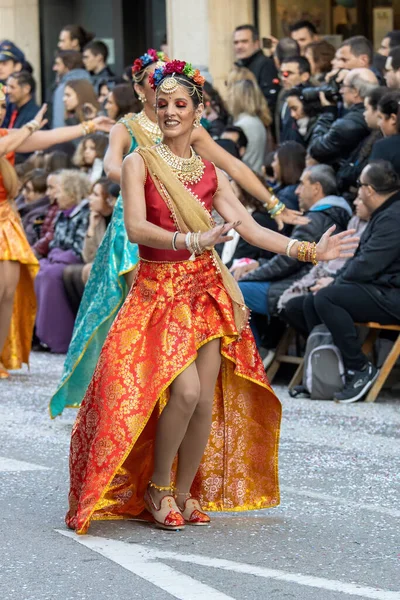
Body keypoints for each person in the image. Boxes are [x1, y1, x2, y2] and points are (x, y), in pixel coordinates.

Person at [65, 59, 355, 534]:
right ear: (154, 111)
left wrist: (308, 250)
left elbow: (252, 228)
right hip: (158, 291)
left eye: (182, 104)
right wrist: (192, 241)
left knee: (202, 402)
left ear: (199, 112)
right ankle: (158, 488)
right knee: (185, 391)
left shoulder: (210, 174)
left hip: (204, 290)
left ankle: (183, 492)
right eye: (163, 105)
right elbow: (137, 227)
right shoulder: (140, 163)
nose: (171, 112)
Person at [49, 49, 307, 418]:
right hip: (136, 225)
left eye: (171, 86)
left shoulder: (190, 129)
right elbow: (110, 166)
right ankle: (124, 402)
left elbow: (230, 164)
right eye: (154, 81)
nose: (162, 90)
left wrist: (275, 206)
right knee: (125, 317)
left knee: (183, 336)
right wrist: (145, 180)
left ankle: (169, 407)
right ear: (141, 89)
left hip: (186, 234)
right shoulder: (129, 129)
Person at [0, 92, 112, 378]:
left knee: (8, 290)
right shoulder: (10, 137)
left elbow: (49, 137)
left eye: (3, 105)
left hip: (5, 218)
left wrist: (89, 126)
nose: (0, 111)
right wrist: (28, 128)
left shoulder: (10, 134)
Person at [283, 161, 400, 403]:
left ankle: (359, 368)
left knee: (327, 297)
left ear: (368, 190)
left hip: (393, 295)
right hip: (380, 288)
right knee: (302, 304)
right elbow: (361, 262)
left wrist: (333, 283)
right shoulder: (385, 213)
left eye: (359, 186)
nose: (356, 191)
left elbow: (367, 264)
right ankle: (326, 373)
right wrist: (333, 279)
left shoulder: (394, 217)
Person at [237, 164, 351, 345]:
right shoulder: (336, 213)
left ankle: (253, 359)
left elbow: (287, 261)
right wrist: (259, 264)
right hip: (303, 280)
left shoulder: (315, 218)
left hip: (298, 286)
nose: (297, 191)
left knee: (233, 293)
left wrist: (247, 277)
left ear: (316, 188)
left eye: (302, 185)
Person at [34, 170, 90, 353]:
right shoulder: (60, 214)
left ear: (72, 191)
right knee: (36, 269)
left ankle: (59, 338)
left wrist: (57, 256)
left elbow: (79, 246)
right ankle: (39, 335)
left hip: (73, 259)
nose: (55, 196)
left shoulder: (84, 212)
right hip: (58, 257)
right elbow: (56, 242)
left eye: (60, 191)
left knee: (50, 275)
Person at [63, 177, 114, 314]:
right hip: (99, 265)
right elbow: (87, 256)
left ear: (108, 199)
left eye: (95, 195)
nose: (89, 198)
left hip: (116, 266)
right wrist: (92, 228)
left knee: (87, 270)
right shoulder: (99, 218)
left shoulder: (118, 219)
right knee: (70, 273)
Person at [308, 68, 378, 166]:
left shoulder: (349, 124)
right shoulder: (377, 113)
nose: (340, 91)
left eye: (343, 86)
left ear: (355, 91)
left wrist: (328, 112)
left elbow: (316, 149)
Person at [336, 86, 386, 198]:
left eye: (367, 109)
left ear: (378, 111)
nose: (364, 114)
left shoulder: (382, 145)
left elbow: (357, 174)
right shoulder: (370, 137)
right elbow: (346, 170)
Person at [225, 77, 271, 173]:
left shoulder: (243, 125)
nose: (228, 99)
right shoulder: (256, 121)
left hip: (245, 177)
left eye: (231, 95)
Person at [233, 24, 280, 112]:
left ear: (256, 43)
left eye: (244, 41)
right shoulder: (239, 66)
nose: (239, 46)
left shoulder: (266, 64)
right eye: (236, 42)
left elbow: (269, 101)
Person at [51, 50, 92, 129]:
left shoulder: (64, 88)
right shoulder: (92, 83)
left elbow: (59, 125)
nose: (54, 68)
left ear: (68, 66)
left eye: (58, 64)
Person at [6, 71, 40, 163]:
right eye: (7, 86)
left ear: (26, 89)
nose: (8, 91)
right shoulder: (10, 109)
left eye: (12, 87)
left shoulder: (35, 115)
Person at [277, 56, 312, 143]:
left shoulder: (311, 100)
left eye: (289, 73)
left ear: (305, 76)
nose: (284, 78)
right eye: (282, 73)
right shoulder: (282, 96)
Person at [369, 90, 400, 175]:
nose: (379, 124)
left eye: (380, 118)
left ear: (393, 118)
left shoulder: (383, 147)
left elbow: (374, 181)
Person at [18, 168, 49, 244]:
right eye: (24, 188)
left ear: (43, 193)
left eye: (28, 190)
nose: (23, 193)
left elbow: (27, 241)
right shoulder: (19, 202)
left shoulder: (41, 215)